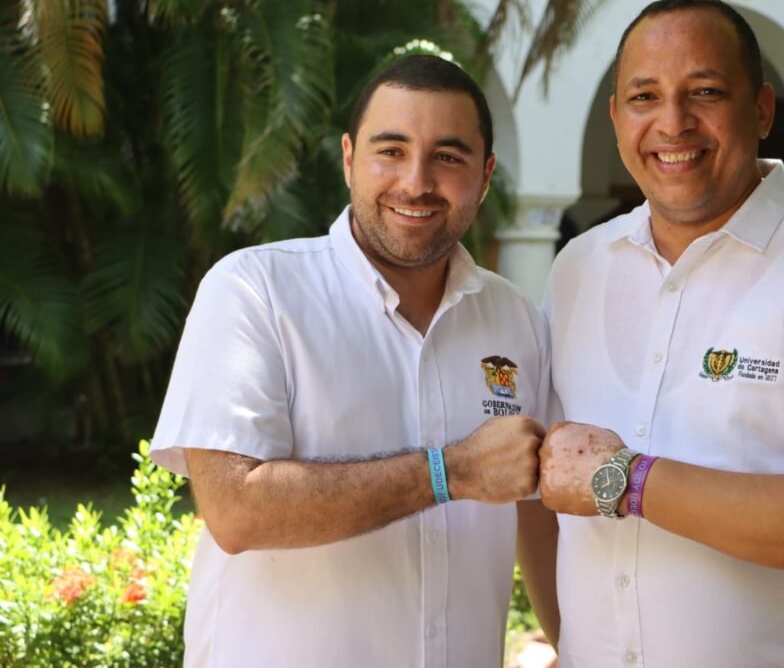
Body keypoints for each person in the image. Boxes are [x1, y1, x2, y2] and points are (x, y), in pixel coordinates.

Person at [533, 0, 784, 667]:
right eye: (644, 97)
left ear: (761, 110)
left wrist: (626, 479)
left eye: (705, 92)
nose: (673, 122)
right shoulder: (578, 267)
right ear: (616, 117)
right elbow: (545, 484)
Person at [149, 54, 555, 667]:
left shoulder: (516, 317)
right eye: (390, 151)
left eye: (448, 157)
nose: (416, 182)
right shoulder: (256, 290)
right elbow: (235, 510)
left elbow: (540, 519)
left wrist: (575, 646)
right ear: (348, 158)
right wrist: (451, 472)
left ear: (486, 173)